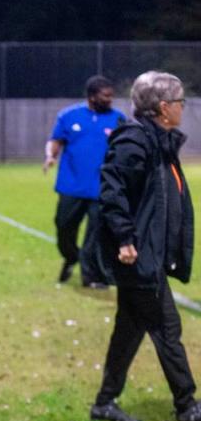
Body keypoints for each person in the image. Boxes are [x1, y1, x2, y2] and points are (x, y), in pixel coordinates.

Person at [92, 70, 201, 421]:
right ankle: (188, 406)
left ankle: (104, 402)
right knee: (167, 328)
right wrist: (125, 237)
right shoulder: (135, 140)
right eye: (181, 101)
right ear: (163, 107)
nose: (184, 107)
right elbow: (112, 188)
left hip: (147, 254)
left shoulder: (157, 140)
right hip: (138, 257)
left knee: (129, 331)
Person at [44, 75, 125, 288]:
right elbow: (55, 141)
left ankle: (92, 277)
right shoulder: (69, 116)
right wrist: (50, 156)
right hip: (71, 186)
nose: (110, 100)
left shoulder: (118, 119)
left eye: (111, 96)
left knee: (96, 234)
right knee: (64, 227)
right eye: (105, 96)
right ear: (91, 96)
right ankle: (71, 257)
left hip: (102, 188)